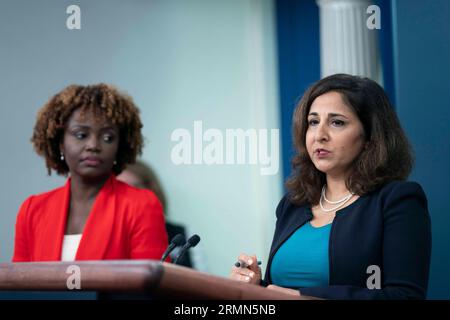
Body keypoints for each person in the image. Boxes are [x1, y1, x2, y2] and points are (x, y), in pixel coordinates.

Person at [230, 74, 432, 300]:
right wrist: (257, 285)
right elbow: (281, 291)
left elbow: (405, 296)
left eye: (337, 122)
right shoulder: (293, 204)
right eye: (313, 122)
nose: (319, 135)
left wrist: (303, 297)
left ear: (370, 137)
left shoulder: (397, 200)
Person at [12, 84, 169, 262]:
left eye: (108, 137)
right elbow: (20, 284)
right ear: (61, 143)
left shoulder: (141, 206)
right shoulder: (33, 210)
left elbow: (152, 285)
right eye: (81, 135)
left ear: (119, 146)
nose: (93, 145)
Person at [117, 160, 195, 268]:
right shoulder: (100, 234)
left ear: (153, 191)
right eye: (121, 189)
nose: (129, 197)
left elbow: (204, 281)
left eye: (135, 188)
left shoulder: (182, 235)